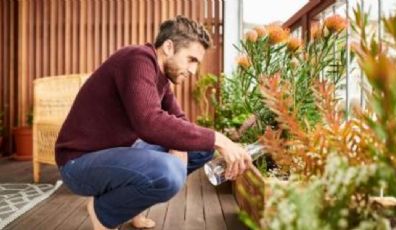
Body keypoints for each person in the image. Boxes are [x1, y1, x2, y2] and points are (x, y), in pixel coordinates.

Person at [55, 15, 252, 230]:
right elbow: (148, 121)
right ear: (168, 47)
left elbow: (179, 120)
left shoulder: (161, 79)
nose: (194, 71)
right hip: (79, 163)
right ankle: (104, 211)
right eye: (191, 59)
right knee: (168, 173)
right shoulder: (137, 59)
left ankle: (130, 207)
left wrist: (197, 142)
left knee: (201, 149)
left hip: (118, 153)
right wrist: (219, 139)